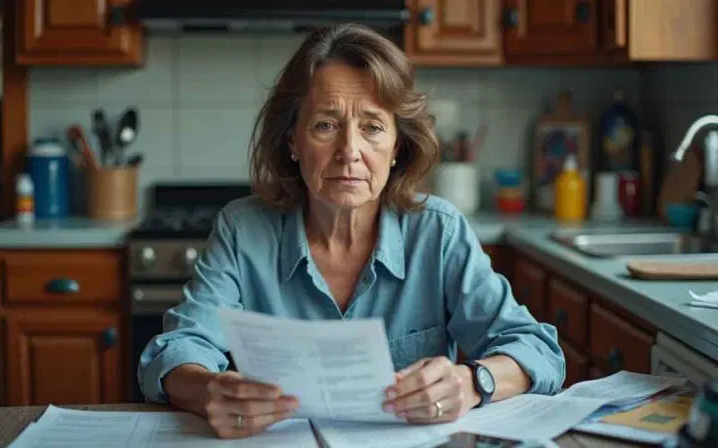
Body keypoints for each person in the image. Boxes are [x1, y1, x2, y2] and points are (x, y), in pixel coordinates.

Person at [137, 23, 565, 439]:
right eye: (325, 125)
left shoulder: (438, 232)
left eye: (372, 128)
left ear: (397, 146)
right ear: (292, 141)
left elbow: (536, 349)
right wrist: (208, 390)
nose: (349, 152)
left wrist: (472, 382)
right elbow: (176, 350)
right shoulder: (243, 229)